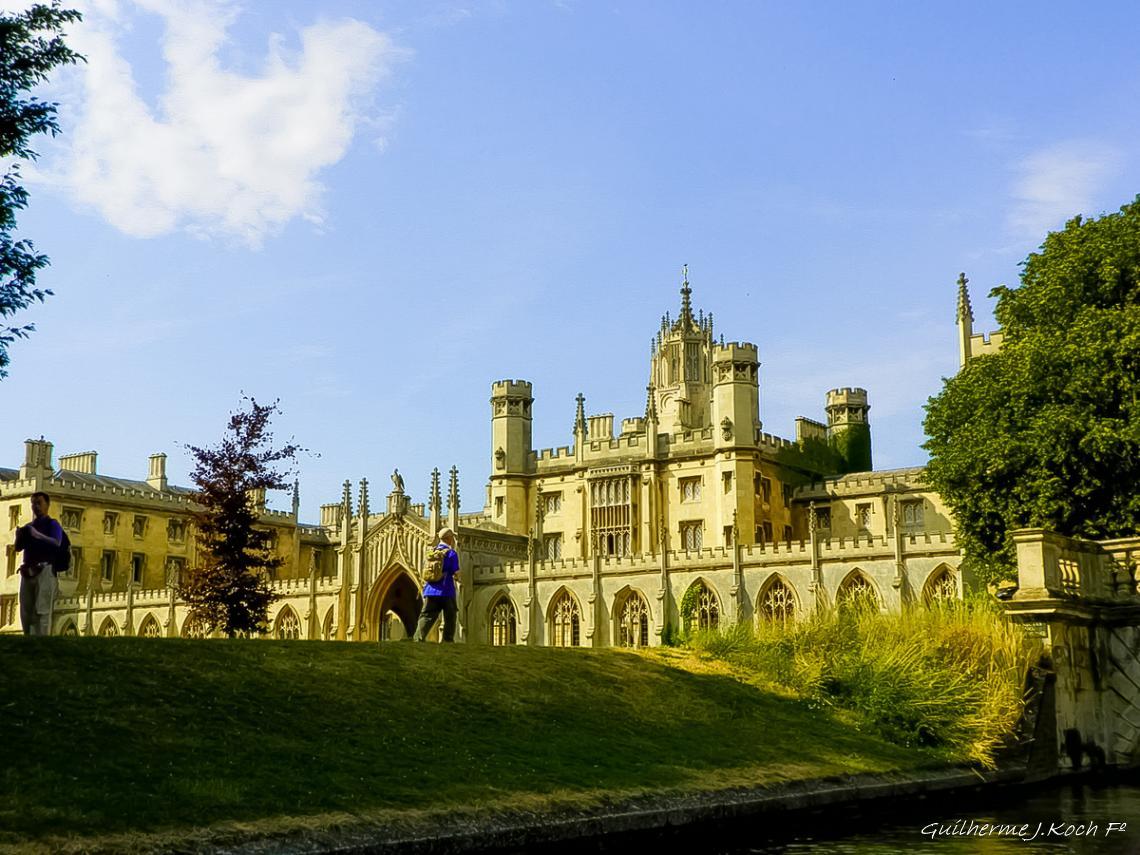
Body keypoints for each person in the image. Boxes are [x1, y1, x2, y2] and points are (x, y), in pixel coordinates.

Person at [16, 491, 63, 636]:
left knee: (42, 609)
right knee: (26, 609)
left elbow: (57, 542)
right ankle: (28, 639)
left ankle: (42, 639)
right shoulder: (28, 526)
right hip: (28, 570)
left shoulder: (53, 524)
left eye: (39, 503)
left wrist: (37, 535)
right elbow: (18, 548)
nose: (36, 507)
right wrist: (19, 536)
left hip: (45, 570)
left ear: (47, 505)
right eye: (33, 504)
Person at [413, 527, 460, 642]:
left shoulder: (431, 552)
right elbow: (457, 573)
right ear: (449, 539)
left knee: (426, 616)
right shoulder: (451, 553)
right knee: (450, 616)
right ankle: (447, 640)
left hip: (430, 590)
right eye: (452, 538)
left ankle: (418, 638)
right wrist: (457, 577)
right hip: (446, 590)